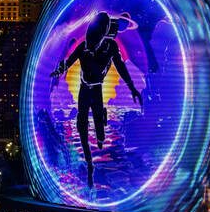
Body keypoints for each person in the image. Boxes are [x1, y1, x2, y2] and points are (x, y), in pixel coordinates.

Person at [50, 12, 142, 187]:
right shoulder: (83, 47)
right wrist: (58, 71)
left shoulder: (111, 46)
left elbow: (121, 67)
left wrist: (132, 88)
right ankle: (89, 163)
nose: (91, 45)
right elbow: (68, 63)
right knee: (81, 125)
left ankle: (100, 133)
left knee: (99, 126)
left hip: (97, 89)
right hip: (84, 89)